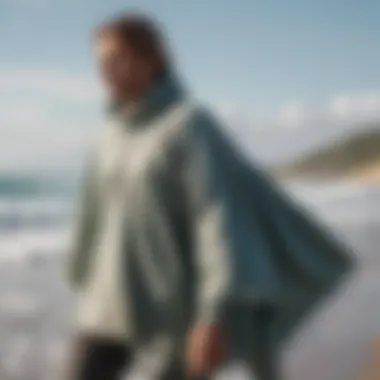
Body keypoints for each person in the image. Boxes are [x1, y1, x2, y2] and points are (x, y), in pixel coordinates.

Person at [66, 12, 353, 380]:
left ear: (155, 58)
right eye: (101, 62)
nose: (105, 71)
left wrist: (212, 316)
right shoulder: (109, 135)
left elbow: (216, 220)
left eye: (116, 58)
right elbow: (93, 212)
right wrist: (79, 272)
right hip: (107, 303)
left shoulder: (189, 126)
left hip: (174, 311)